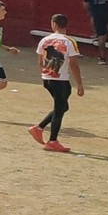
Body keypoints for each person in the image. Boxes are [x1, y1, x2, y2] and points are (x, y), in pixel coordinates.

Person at [30, 14, 84, 153]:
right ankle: (52, 141)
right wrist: (80, 84)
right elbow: (74, 65)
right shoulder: (69, 41)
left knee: (62, 107)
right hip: (60, 80)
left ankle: (39, 128)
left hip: (47, 78)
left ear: (53, 24)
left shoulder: (45, 40)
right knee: (60, 109)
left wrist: (44, 74)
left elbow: (40, 61)